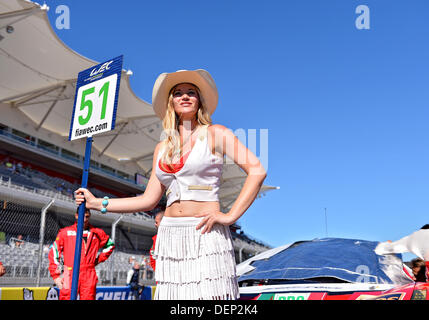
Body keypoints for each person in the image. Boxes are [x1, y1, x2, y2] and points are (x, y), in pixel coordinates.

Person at [74, 69, 267, 300]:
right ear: (170, 102)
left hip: (204, 231)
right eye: (177, 93)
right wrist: (98, 203)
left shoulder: (216, 134)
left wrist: (230, 216)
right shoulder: (162, 147)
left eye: (191, 93)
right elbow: (148, 199)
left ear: (199, 101)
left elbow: (257, 170)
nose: (184, 96)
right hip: (170, 235)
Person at [48, 208, 115, 300]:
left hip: (89, 273)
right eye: (82, 216)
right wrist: (55, 276)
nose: (84, 219)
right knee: (66, 297)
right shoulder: (65, 232)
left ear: (89, 216)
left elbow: (110, 246)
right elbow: (54, 252)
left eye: (87, 216)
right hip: (68, 272)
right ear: (76, 215)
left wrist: (97, 260)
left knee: (89, 298)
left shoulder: (97, 232)